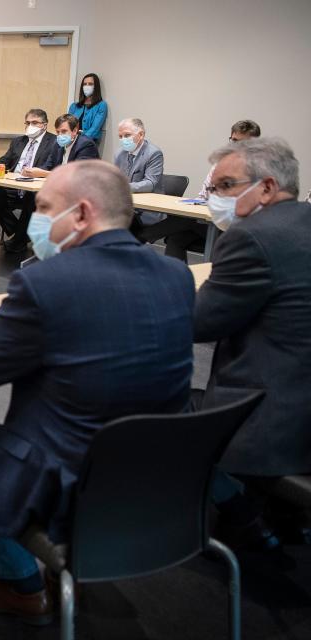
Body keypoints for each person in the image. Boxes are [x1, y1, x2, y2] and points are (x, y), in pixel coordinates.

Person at [0, 160, 194, 625]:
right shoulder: (176, 277)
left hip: (71, 483)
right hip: (162, 480)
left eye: (41, 207)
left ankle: (21, 587)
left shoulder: (45, 283)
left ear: (80, 215)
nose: (34, 218)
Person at [194, 138, 311, 547]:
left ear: (266, 187)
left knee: (151, 404)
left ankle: (242, 515)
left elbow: (200, 322)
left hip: (269, 417)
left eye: (225, 185)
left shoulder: (251, 238)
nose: (216, 198)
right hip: (301, 399)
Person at [142, 120, 262, 262]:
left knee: (186, 221)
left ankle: (142, 235)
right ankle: (177, 281)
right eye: (233, 140)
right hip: (208, 220)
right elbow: (204, 193)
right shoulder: (220, 163)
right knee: (177, 238)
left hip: (234, 228)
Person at [0, 108, 58, 253]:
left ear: (44, 124)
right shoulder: (18, 141)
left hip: (35, 186)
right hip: (14, 184)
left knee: (31, 201)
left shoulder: (54, 142)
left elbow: (51, 165)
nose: (30, 126)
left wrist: (36, 174)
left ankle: (18, 242)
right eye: (27, 123)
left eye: (35, 122)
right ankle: (21, 233)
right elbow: (5, 160)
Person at [113, 118, 164, 234]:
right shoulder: (119, 153)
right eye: (120, 136)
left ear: (141, 134)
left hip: (146, 210)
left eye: (127, 135)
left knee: (113, 223)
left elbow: (150, 183)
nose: (123, 140)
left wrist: (122, 186)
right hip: (124, 204)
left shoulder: (154, 153)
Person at [20, 113, 99, 178]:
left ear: (74, 131)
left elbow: (77, 174)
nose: (60, 135)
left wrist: (43, 173)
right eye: (58, 132)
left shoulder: (86, 145)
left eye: (64, 131)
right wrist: (32, 171)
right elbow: (47, 166)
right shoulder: (57, 144)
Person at [66, 73, 108, 144]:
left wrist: (80, 140)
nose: (87, 86)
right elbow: (68, 124)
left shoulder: (101, 105)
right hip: (71, 141)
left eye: (90, 84)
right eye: (84, 84)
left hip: (88, 142)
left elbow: (94, 129)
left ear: (96, 87)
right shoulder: (74, 106)